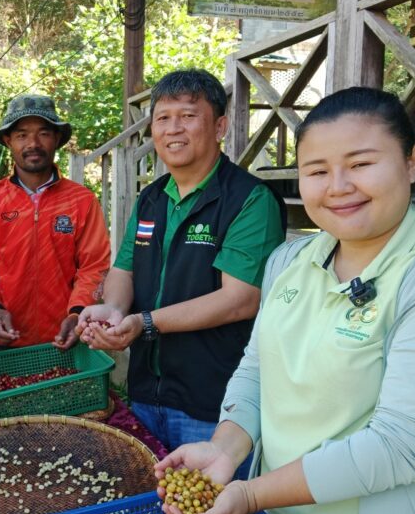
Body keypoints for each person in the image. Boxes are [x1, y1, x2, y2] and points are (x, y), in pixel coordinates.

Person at [154, 87, 415, 514]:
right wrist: (225, 447)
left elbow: (404, 446)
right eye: (317, 171)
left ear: (411, 161)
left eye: (361, 164)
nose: (338, 187)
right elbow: (257, 369)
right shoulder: (290, 261)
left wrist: (252, 494)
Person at [77, 69, 286, 457]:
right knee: (153, 509)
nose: (174, 128)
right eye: (163, 118)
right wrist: (114, 310)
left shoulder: (250, 199)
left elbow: (240, 299)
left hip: (214, 406)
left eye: (188, 116)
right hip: (144, 394)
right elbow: (124, 269)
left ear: (220, 126)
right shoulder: (151, 198)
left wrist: (145, 323)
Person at [0, 94, 110, 351]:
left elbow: (95, 266)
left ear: (57, 139)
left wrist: (77, 313)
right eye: (22, 135)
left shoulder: (81, 200)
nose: (33, 144)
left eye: (43, 133)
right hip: (5, 338)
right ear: (8, 141)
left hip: (68, 337)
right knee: (7, 393)